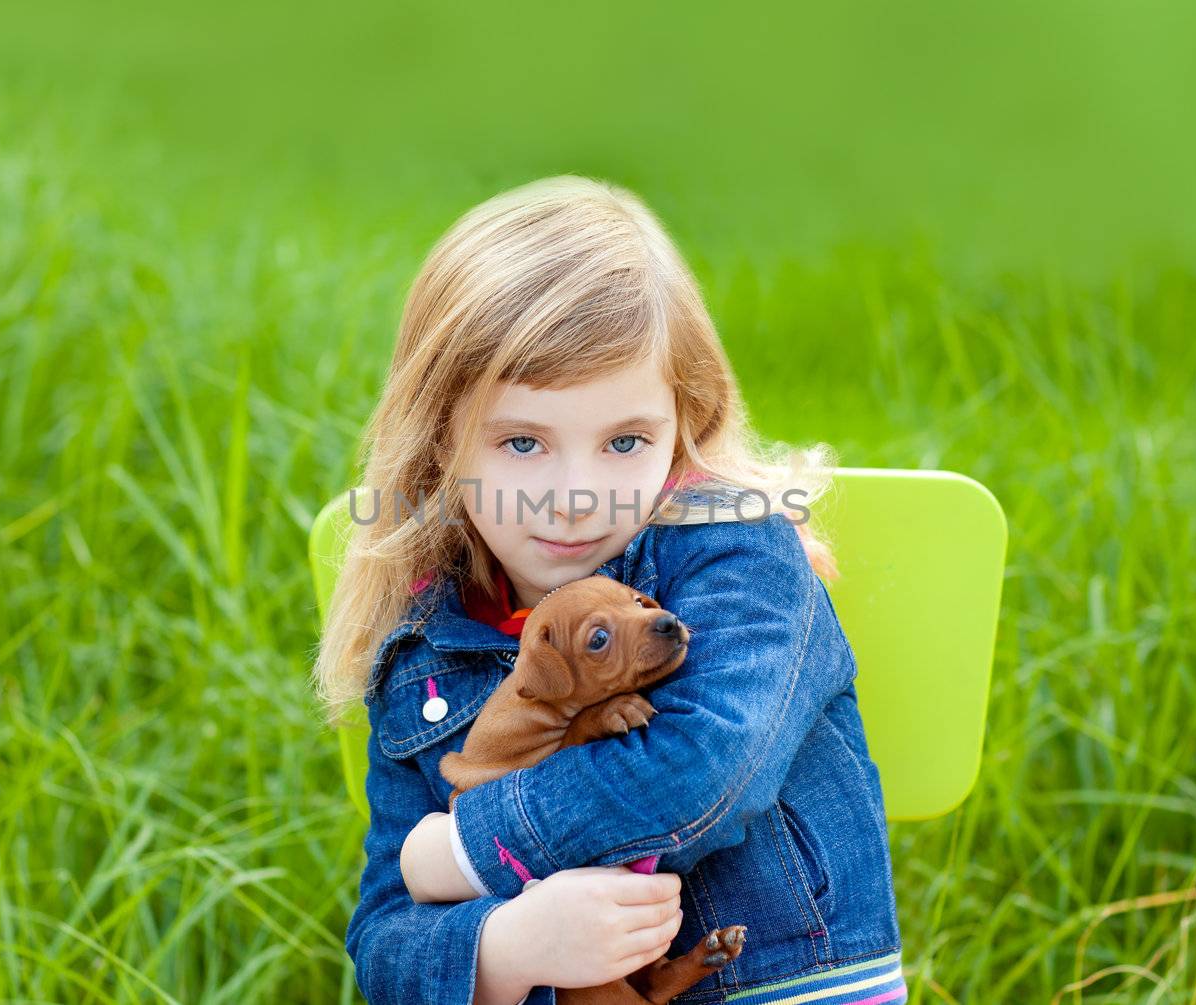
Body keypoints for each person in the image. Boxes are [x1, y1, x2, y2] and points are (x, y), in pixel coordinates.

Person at [312, 175, 904, 1005]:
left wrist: (465, 851)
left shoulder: (734, 553)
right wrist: (509, 948)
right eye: (522, 442)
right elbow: (384, 941)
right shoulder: (424, 645)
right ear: (440, 436)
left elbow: (704, 772)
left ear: (683, 419)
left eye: (625, 439)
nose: (577, 492)